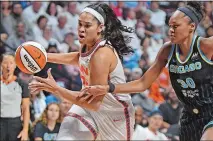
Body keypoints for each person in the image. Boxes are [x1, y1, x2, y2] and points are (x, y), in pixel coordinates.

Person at [80, 2, 213, 141]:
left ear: (191, 27)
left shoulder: (207, 45)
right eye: (169, 26)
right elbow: (142, 83)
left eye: (176, 26)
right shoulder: (167, 50)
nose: (170, 30)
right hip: (189, 116)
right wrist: (108, 88)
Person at [29, 3, 135, 140]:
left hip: (113, 114)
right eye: (79, 24)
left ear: (100, 28)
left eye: (87, 25)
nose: (81, 29)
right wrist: (44, 57)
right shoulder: (87, 43)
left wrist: (56, 89)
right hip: (87, 108)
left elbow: (94, 103)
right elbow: (79, 58)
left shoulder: (102, 54)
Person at [0, 54, 30, 141]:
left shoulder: (22, 84)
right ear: (1, 64)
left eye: (11, 63)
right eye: (5, 62)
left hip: (15, 123)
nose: (8, 66)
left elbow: (25, 108)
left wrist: (25, 129)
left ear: (15, 65)